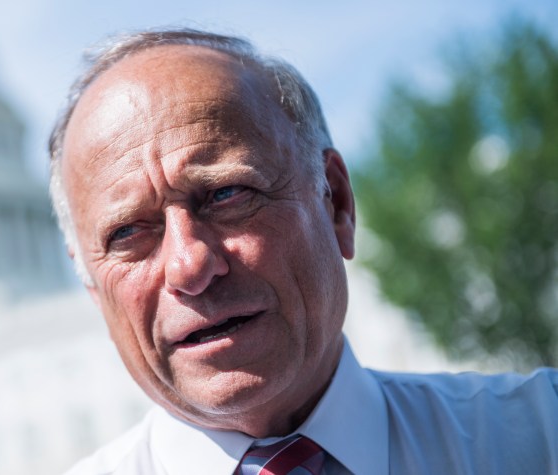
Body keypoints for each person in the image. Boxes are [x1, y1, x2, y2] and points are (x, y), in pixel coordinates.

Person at [48, 28, 558, 475]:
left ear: (336, 202)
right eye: (128, 234)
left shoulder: (540, 439)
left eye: (226, 194)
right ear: (93, 287)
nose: (190, 265)